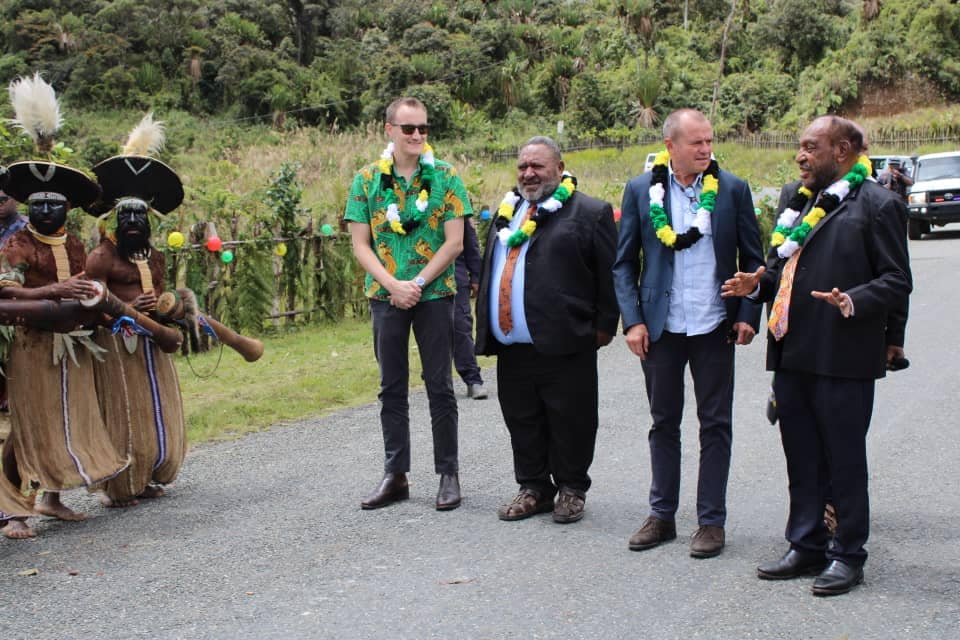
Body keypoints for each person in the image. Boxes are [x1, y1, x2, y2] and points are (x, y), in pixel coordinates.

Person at [721, 116, 912, 596]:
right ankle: (805, 544)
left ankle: (848, 554)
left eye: (811, 147)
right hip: (792, 351)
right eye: (800, 147)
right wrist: (756, 283)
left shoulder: (879, 204)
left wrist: (854, 300)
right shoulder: (795, 198)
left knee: (843, 460)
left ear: (842, 151)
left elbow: (896, 279)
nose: (800, 156)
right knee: (801, 456)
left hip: (844, 355)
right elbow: (779, 267)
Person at [612, 108, 764, 558]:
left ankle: (711, 522)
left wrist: (747, 313)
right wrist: (633, 320)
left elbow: (754, 260)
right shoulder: (641, 190)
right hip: (661, 326)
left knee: (715, 424)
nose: (706, 149)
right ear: (671, 146)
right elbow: (624, 264)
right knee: (663, 422)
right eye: (696, 142)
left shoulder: (732, 189)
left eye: (709, 141)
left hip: (715, 323)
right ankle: (661, 515)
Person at [475, 136, 618, 524]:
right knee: (521, 418)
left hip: (567, 339)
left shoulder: (589, 212)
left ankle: (571, 488)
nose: (528, 173)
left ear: (559, 167)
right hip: (512, 343)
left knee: (571, 417)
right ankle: (534, 487)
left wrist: (605, 326)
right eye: (523, 166)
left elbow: (610, 274)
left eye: (537, 166)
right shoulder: (508, 211)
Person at [344, 97, 468, 511]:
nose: (417, 135)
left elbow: (455, 242)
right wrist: (393, 285)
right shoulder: (367, 180)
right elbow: (360, 245)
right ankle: (395, 475)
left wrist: (415, 283)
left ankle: (448, 474)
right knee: (391, 387)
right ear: (389, 130)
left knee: (440, 385)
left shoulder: (446, 176)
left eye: (423, 128)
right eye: (409, 128)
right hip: (386, 295)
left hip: (434, 294)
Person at [84, 114, 188, 508]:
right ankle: (119, 485)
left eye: (138, 215)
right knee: (125, 412)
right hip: (116, 345)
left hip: (153, 344)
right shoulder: (101, 256)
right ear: (112, 219)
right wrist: (126, 309)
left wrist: (169, 309)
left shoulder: (155, 257)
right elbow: (90, 304)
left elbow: (160, 296)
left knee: (155, 407)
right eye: (124, 215)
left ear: (148, 221)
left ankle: (147, 475)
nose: (131, 221)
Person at [453, 216, 487, 399]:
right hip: (417, 278)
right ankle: (435, 381)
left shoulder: (455, 201)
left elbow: (470, 240)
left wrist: (476, 276)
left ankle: (473, 379)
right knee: (431, 334)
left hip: (454, 277)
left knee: (461, 328)